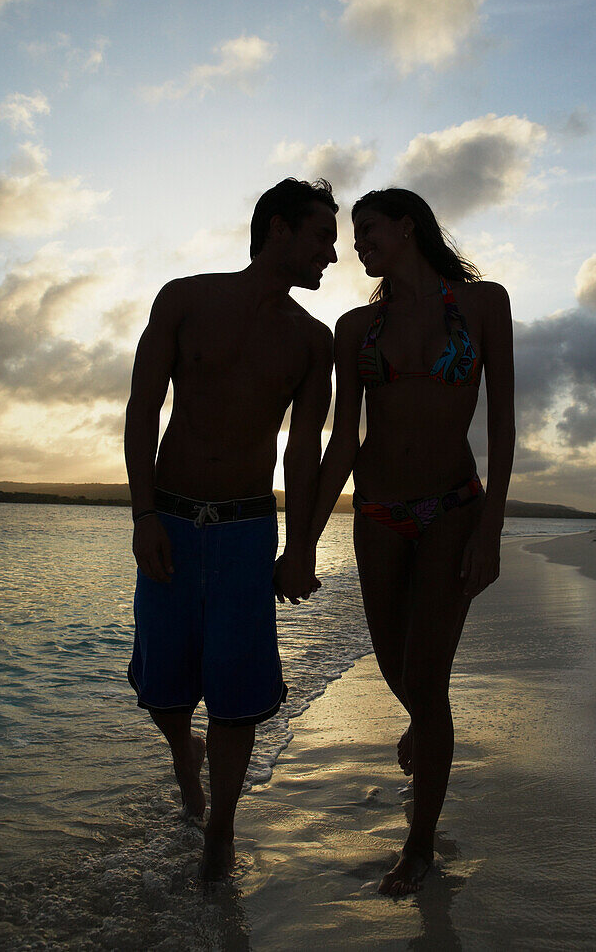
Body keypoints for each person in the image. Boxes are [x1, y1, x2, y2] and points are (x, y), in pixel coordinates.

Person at [124, 177, 337, 880]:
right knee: (162, 687)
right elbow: (142, 409)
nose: (330, 256)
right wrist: (143, 514)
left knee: (239, 695)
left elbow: (302, 450)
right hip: (173, 523)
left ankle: (220, 827)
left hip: (248, 530)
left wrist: (302, 546)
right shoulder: (184, 298)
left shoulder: (312, 341)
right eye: (321, 238)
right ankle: (185, 759)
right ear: (278, 229)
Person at [306, 187, 515, 895]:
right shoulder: (354, 328)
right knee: (398, 664)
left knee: (425, 676)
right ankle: (421, 726)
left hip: (455, 506)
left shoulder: (483, 304)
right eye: (351, 234)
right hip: (377, 513)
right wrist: (299, 539)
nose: (356, 244)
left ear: (405, 226)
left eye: (367, 230)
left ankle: (417, 847)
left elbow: (504, 425)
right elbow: (344, 440)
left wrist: (490, 531)